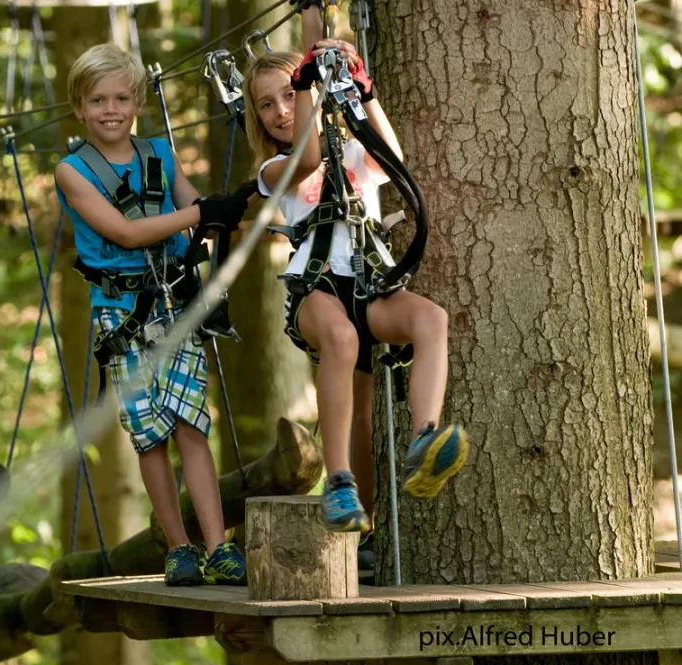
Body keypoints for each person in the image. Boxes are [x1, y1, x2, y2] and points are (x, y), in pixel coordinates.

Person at [242, 2, 469, 533]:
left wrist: (363, 94)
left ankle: (424, 440)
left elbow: (393, 156)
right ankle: (338, 483)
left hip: (369, 283)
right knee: (341, 341)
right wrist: (304, 84)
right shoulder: (273, 168)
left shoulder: (350, 151)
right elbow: (304, 159)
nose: (279, 110)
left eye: (286, 96)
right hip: (317, 290)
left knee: (429, 321)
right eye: (267, 104)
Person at [54, 43, 250, 586]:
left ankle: (219, 548)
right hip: (121, 316)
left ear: (138, 100)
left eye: (121, 97)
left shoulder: (160, 154)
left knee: (191, 421)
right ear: (79, 108)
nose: (110, 109)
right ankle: (178, 547)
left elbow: (193, 210)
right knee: (150, 434)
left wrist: (220, 214)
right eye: (97, 100)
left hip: (175, 306)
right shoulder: (73, 172)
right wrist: (197, 212)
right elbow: (124, 232)